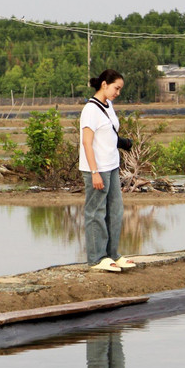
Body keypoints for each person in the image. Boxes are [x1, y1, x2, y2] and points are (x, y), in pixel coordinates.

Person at [79, 69, 135, 272]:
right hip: (97, 168)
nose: (117, 93)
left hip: (111, 166)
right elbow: (87, 142)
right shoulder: (90, 110)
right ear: (104, 84)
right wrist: (94, 172)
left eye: (120, 89)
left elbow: (109, 135)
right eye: (116, 88)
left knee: (115, 210)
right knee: (96, 212)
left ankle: (112, 254)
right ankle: (96, 258)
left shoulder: (108, 105)